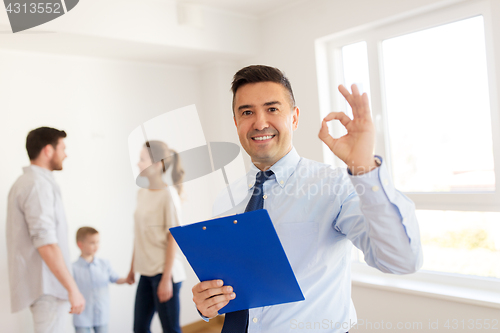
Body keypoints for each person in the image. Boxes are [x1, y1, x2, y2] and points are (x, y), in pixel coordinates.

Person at [191, 65, 423, 333]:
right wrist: (205, 304)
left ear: (295, 117)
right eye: (247, 112)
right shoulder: (226, 198)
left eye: (272, 109)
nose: (260, 122)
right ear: (236, 123)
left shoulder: (334, 186)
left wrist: (364, 168)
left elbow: (401, 260)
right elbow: (232, 285)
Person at [6, 127, 86, 333]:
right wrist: (72, 288)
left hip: (46, 288)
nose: (66, 154)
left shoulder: (29, 183)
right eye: (62, 148)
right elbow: (46, 242)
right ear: (48, 150)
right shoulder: (37, 185)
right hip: (48, 289)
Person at [126, 140, 187, 333]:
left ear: (158, 164)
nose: (138, 163)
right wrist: (131, 268)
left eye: (142, 159)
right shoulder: (141, 193)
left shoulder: (168, 195)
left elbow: (173, 238)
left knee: (171, 329)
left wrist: (166, 279)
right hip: (146, 271)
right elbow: (139, 234)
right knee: (140, 328)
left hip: (164, 272)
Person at [72, 227, 131, 333]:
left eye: (98, 242)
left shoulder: (104, 264)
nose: (96, 246)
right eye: (92, 243)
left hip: (101, 314)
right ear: (80, 244)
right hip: (82, 316)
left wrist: (126, 279)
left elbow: (115, 278)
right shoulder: (73, 268)